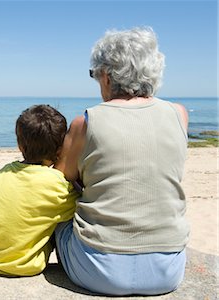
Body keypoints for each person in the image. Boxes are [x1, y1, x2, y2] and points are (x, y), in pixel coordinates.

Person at [54, 27, 190, 296]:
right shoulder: (179, 114)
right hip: (168, 270)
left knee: (59, 208)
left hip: (98, 269)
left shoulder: (86, 122)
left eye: (95, 75)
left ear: (106, 75)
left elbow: (61, 178)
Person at [0, 104, 79, 276]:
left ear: (20, 145)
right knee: (59, 215)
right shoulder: (57, 183)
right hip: (26, 265)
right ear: (60, 149)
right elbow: (79, 210)